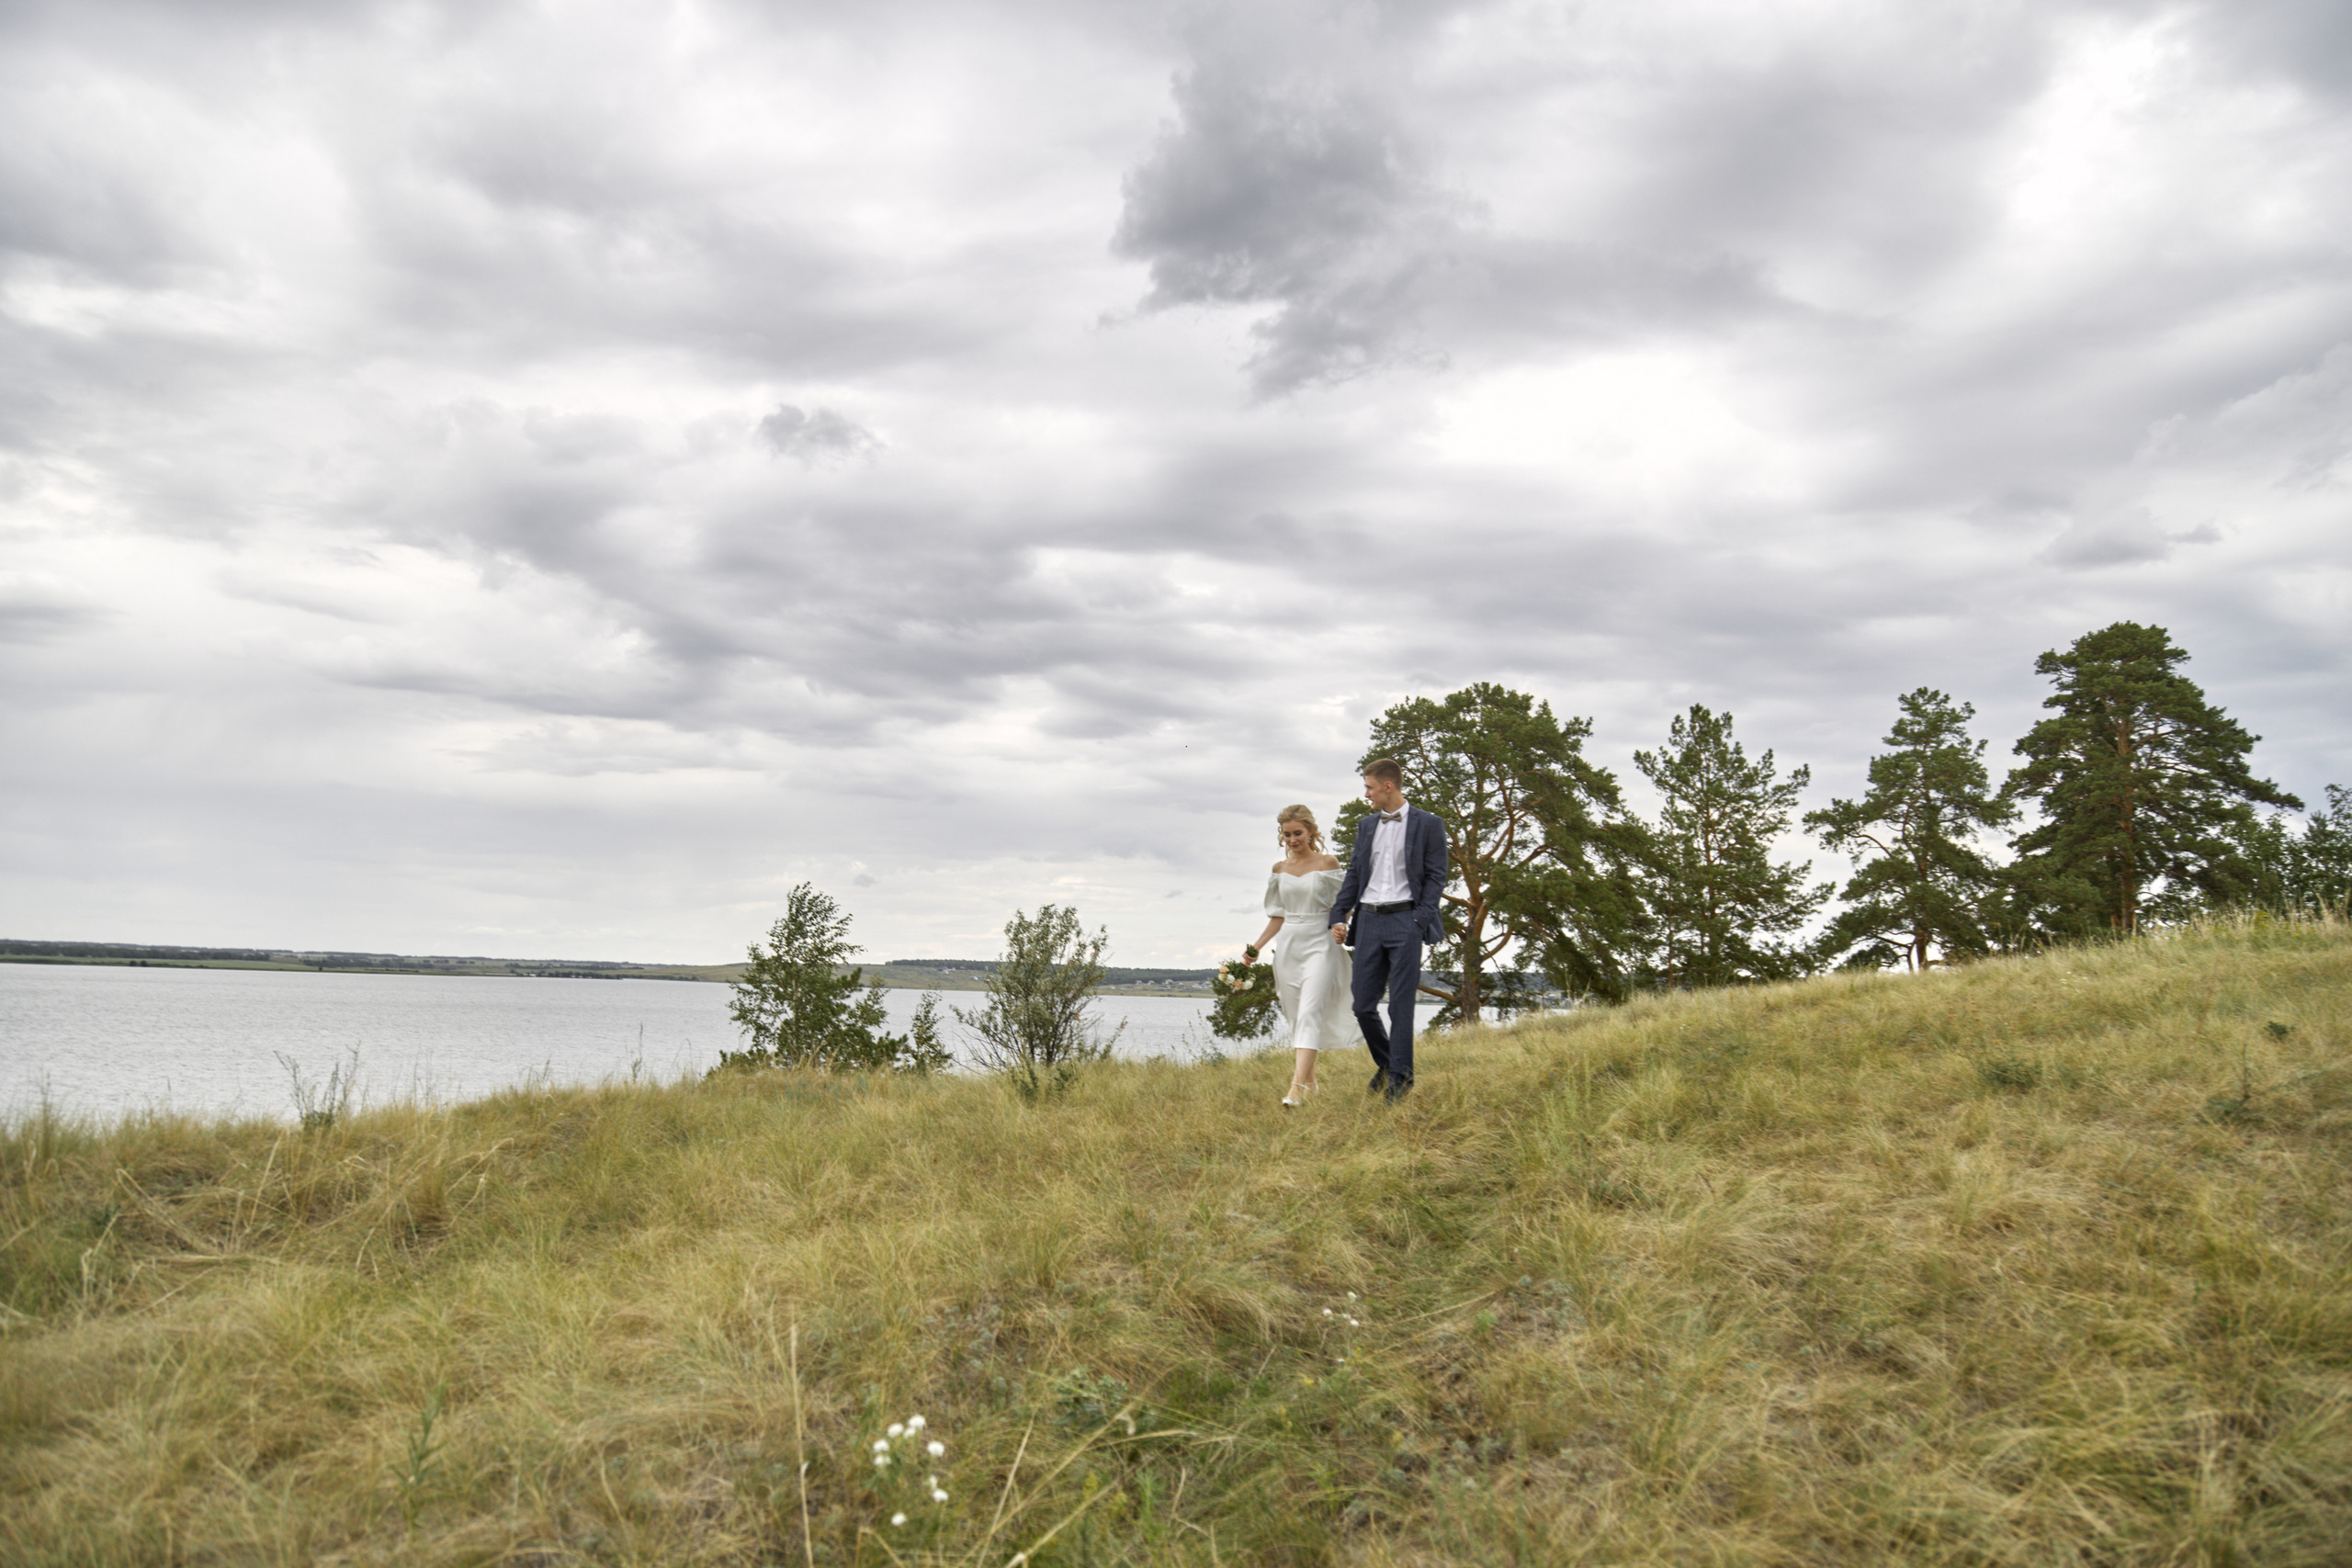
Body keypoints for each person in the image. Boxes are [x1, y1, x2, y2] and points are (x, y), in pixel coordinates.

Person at [1327, 758, 1448, 1103]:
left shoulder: (1429, 824)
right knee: (1362, 1005)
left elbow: (1437, 875)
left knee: (1401, 1006)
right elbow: (1354, 874)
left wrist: (1420, 919)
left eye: (1369, 787)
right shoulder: (1366, 826)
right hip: (1367, 921)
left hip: (1405, 921)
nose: (1366, 794)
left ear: (1388, 786)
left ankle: (1401, 1080)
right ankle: (1388, 1063)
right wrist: (1339, 916)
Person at [1244, 805, 1356, 1106]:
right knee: (1296, 1015)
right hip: (1289, 946)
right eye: (1287, 834)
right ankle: (1312, 1083)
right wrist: (1255, 947)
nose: (1293, 839)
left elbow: (1343, 904)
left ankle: (1295, 1088)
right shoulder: (1278, 870)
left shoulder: (1327, 863)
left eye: (1298, 833)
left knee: (1310, 1012)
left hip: (1321, 943)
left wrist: (1340, 925)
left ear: (1310, 832)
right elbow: (1277, 916)